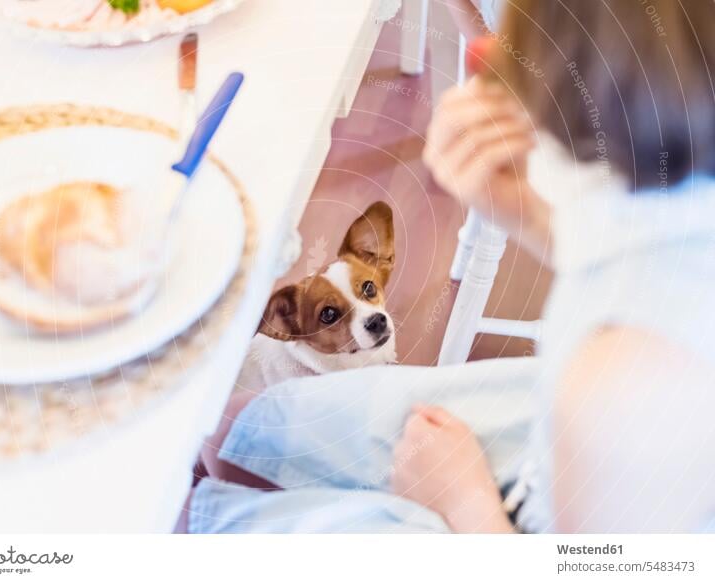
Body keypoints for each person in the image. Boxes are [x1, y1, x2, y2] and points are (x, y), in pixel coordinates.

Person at [186, 0, 715, 533]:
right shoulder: (678, 203)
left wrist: (465, 503)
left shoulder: (631, 384)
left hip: (518, 513)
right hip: (554, 432)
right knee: (229, 427)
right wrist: (524, 215)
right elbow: (640, 271)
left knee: (205, 510)